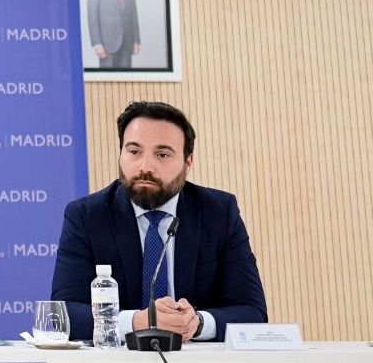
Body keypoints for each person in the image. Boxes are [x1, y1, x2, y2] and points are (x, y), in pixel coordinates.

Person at [50, 102, 266, 342]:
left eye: (162, 154)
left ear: (188, 162)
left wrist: (197, 323)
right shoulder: (87, 216)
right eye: (134, 151)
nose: (145, 167)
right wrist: (136, 321)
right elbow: (64, 314)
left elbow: (252, 311)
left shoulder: (219, 212)